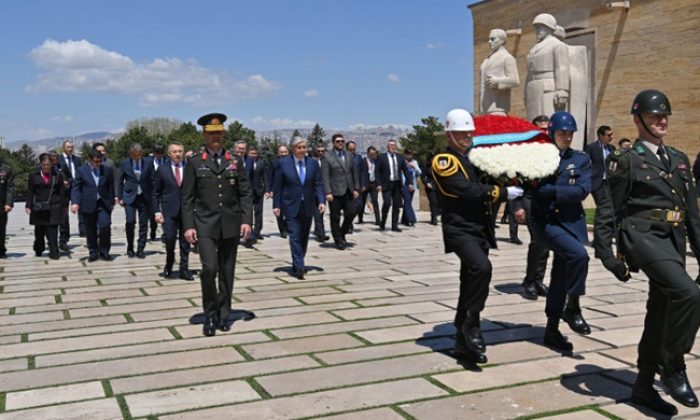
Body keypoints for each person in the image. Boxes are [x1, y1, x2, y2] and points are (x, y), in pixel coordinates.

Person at [595, 90, 700, 415]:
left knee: (661, 310)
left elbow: (692, 213)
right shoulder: (625, 160)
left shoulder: (680, 159)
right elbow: (608, 209)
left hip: (672, 240)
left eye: (665, 115)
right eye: (655, 116)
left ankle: (642, 388)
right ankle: (673, 364)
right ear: (639, 120)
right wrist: (607, 255)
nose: (662, 121)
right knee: (688, 293)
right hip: (641, 236)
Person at [432, 109, 522, 364]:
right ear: (449, 134)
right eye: (461, 132)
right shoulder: (444, 160)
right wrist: (503, 193)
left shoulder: (473, 159)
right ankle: (472, 324)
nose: (467, 136)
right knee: (482, 268)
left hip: (479, 229)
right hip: (460, 229)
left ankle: (462, 342)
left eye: (469, 132)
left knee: (469, 281)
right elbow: (466, 190)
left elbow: (490, 175)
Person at [525, 111, 591, 354]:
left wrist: (554, 191)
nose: (567, 137)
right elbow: (537, 192)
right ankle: (573, 305)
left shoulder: (581, 159)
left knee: (561, 275)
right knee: (579, 256)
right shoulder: (539, 158)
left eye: (570, 133)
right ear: (552, 133)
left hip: (571, 222)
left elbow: (583, 190)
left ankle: (551, 328)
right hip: (547, 223)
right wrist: (561, 191)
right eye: (562, 132)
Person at [182, 113, 253, 337]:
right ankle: (209, 314)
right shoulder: (195, 162)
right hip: (204, 224)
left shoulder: (235, 160)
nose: (216, 137)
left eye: (219, 133)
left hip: (230, 223)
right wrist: (188, 226)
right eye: (212, 133)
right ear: (204, 135)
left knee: (227, 270)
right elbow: (187, 198)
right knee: (209, 268)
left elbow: (245, 193)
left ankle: (224, 314)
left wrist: (246, 220)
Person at [273, 137, 326, 279]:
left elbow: (318, 183)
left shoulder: (313, 164)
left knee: (304, 236)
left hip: (308, 205)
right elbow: (278, 186)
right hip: (290, 205)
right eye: (299, 147)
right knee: (294, 236)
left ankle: (298, 261)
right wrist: (276, 205)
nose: (302, 150)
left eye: (304, 147)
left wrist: (321, 201)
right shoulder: (283, 163)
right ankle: (299, 265)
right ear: (293, 149)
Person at [153, 141, 193, 280]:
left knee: (185, 241)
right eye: (174, 152)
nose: (178, 154)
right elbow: (155, 193)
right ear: (169, 154)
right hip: (169, 211)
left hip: (187, 212)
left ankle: (184, 269)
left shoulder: (190, 168)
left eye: (180, 151)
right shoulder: (162, 170)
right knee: (169, 239)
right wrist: (157, 211)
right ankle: (169, 263)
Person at [71, 148, 116, 262]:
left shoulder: (107, 169)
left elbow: (110, 186)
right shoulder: (81, 170)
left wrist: (112, 200)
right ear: (89, 160)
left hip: (103, 203)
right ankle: (93, 252)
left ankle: (104, 251)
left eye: (100, 161)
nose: (98, 163)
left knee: (105, 226)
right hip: (88, 203)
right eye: (96, 161)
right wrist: (75, 202)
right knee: (90, 229)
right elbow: (76, 188)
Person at [525, 14, 570, 121]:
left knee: (548, 121)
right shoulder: (534, 48)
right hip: (533, 88)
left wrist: (562, 89)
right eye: (536, 27)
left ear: (549, 27)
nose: (537, 30)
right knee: (533, 123)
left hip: (548, 88)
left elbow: (562, 67)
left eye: (540, 26)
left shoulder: (557, 45)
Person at [321, 133, 359, 249]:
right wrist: (328, 192)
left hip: (348, 190)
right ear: (333, 143)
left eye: (342, 141)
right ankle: (338, 239)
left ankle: (342, 232)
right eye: (338, 141)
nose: (340, 143)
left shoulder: (349, 155)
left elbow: (354, 173)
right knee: (335, 217)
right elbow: (325, 176)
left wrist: (356, 188)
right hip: (335, 191)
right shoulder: (327, 157)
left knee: (352, 212)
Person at [118, 143, 155, 258]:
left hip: (144, 197)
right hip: (130, 196)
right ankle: (130, 246)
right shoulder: (125, 163)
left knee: (144, 224)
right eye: (134, 155)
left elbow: (153, 180)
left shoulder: (148, 162)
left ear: (141, 154)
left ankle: (140, 248)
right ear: (131, 154)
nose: (136, 157)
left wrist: (154, 196)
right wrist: (120, 197)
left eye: (138, 155)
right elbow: (119, 181)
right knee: (130, 221)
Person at [26, 154, 65, 260]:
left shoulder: (57, 174)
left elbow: (61, 191)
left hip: (54, 205)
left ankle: (54, 252)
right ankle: (39, 248)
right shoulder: (34, 174)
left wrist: (64, 206)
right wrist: (28, 205)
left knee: (53, 229)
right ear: (40, 164)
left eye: (49, 165)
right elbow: (30, 191)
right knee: (39, 231)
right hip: (39, 206)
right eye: (44, 165)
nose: (47, 167)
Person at [480, 28, 520, 115]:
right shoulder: (487, 59)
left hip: (498, 107)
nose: (490, 42)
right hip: (485, 108)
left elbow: (515, 80)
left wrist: (498, 81)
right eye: (489, 39)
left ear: (502, 40)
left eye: (493, 39)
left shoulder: (507, 58)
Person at [376, 139, 413, 232]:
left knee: (397, 205)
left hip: (397, 184)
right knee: (387, 203)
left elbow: (406, 171)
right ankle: (382, 222)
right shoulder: (381, 157)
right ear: (387, 147)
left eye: (394, 145)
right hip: (386, 184)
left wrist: (410, 183)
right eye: (391, 145)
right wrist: (378, 184)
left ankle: (394, 225)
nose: (393, 147)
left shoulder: (400, 157)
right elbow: (377, 172)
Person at [58, 139, 83, 249]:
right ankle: (64, 237)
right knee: (64, 214)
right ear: (64, 148)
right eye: (68, 147)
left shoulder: (77, 159)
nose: (71, 149)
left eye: (72, 147)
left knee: (81, 209)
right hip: (64, 188)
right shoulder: (58, 159)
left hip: (76, 187)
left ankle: (83, 231)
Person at [584, 125, 616, 207]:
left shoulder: (612, 148)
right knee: (602, 205)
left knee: (611, 205)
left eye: (612, 134)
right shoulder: (591, 147)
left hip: (610, 182)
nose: (611, 137)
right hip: (598, 182)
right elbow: (585, 163)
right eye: (609, 135)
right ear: (601, 136)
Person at [266, 145, 290, 238]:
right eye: (281, 152)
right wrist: (270, 190)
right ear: (278, 153)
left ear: (288, 152)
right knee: (278, 210)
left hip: (289, 190)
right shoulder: (274, 162)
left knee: (289, 211)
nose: (283, 154)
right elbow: (270, 177)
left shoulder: (291, 161)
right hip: (277, 189)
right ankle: (282, 230)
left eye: (285, 152)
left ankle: (288, 227)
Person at [245, 146, 268, 244]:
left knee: (259, 211)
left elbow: (265, 177)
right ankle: (248, 232)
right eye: (252, 153)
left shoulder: (261, 163)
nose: (254, 155)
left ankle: (257, 231)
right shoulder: (245, 162)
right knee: (248, 212)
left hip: (258, 190)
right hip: (248, 191)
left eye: (255, 153)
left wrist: (267, 189)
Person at [358, 146, 381, 225]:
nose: (372, 155)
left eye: (374, 154)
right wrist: (362, 184)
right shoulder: (363, 161)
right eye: (371, 154)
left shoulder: (376, 161)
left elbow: (378, 173)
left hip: (373, 183)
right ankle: (360, 218)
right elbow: (360, 173)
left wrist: (379, 184)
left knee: (375, 201)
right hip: (365, 184)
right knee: (362, 202)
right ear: (368, 153)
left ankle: (378, 220)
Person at [312, 145, 330, 242]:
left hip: (323, 190)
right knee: (317, 213)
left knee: (320, 212)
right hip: (313, 190)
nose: (321, 152)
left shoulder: (326, 161)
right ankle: (321, 234)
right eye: (319, 151)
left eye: (323, 151)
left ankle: (319, 231)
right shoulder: (311, 161)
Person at [149, 144, 167, 241]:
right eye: (157, 153)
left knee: (165, 211)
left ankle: (165, 232)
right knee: (153, 213)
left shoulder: (167, 160)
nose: (159, 155)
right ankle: (153, 229)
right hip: (152, 190)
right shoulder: (148, 161)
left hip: (165, 190)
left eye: (161, 153)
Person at [401, 148, 421, 226]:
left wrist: (414, 167)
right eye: (408, 154)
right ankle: (411, 219)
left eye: (411, 154)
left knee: (408, 202)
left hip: (413, 184)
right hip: (404, 184)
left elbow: (419, 172)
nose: (410, 155)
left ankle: (404, 219)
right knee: (407, 201)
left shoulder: (415, 162)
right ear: (405, 154)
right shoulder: (402, 162)